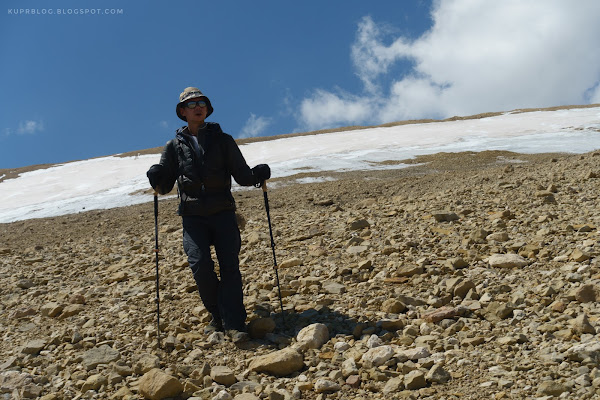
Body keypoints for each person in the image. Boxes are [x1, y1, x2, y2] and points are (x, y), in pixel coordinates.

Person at [146, 87, 271, 344]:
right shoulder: (173, 147)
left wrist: (259, 173)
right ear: (182, 111)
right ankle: (218, 316)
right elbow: (165, 186)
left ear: (207, 108)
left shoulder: (223, 140)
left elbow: (242, 175)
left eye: (201, 102)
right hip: (192, 218)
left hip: (223, 214)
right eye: (191, 104)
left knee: (230, 269)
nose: (197, 106)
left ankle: (235, 324)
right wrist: (156, 174)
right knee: (200, 265)